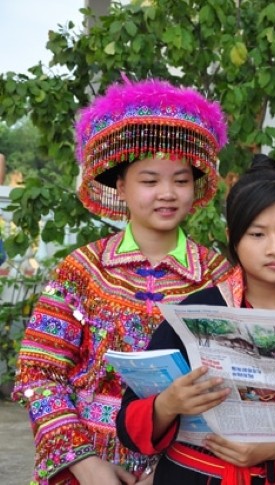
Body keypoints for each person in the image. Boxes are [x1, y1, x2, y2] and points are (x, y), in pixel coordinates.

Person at [12, 78, 233, 485]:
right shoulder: (82, 269)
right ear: (122, 187)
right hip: (86, 468)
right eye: (149, 181)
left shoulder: (219, 275)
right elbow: (38, 373)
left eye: (181, 180)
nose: (167, 193)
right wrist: (84, 462)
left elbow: (231, 384)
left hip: (181, 470)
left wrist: (166, 473)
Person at [117, 155, 275, 484]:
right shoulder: (195, 313)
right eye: (257, 235)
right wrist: (168, 403)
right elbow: (129, 422)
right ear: (233, 237)